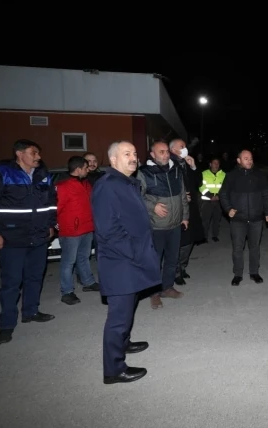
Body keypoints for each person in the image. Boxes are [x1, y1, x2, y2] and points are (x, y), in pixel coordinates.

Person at [92, 141, 161, 384]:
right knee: (118, 317)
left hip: (130, 258)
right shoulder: (107, 186)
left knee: (129, 306)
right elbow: (108, 230)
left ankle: (124, 343)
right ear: (113, 160)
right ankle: (114, 370)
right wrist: (134, 251)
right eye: (126, 154)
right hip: (120, 260)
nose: (133, 158)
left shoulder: (126, 182)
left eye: (134, 153)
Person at [0, 139, 57, 345]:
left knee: (35, 277)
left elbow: (51, 203)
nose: (38, 157)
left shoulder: (43, 174)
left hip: (38, 236)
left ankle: (31, 311)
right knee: (11, 282)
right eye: (34, 153)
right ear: (20, 154)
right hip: (12, 237)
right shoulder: (2, 173)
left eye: (38, 153)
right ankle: (7, 323)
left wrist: (50, 225)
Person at [136, 141, 188, 310]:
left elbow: (182, 194)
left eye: (166, 151)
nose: (165, 155)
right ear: (153, 155)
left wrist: (185, 216)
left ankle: (167, 287)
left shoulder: (176, 169)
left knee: (172, 259)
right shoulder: (144, 172)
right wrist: (153, 206)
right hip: (156, 226)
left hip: (175, 224)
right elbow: (137, 196)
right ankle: (154, 293)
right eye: (161, 152)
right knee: (155, 261)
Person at [219, 149, 268, 286]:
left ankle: (254, 272)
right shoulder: (231, 176)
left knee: (254, 247)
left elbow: (266, 194)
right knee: (238, 248)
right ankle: (238, 274)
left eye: (251, 158)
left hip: (256, 218)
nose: (249, 161)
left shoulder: (259, 175)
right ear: (239, 160)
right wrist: (228, 209)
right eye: (246, 158)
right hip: (238, 219)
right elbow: (223, 194)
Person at [56, 156, 100, 306]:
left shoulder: (86, 184)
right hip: (71, 231)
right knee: (68, 262)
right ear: (79, 169)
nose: (88, 170)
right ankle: (67, 291)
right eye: (86, 168)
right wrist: (56, 225)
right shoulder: (63, 186)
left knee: (84, 257)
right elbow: (56, 208)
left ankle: (88, 282)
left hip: (87, 228)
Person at [169, 138, 205, 284]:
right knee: (180, 240)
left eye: (185, 145)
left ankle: (183, 267)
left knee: (190, 239)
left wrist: (194, 167)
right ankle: (176, 271)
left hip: (191, 207)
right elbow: (168, 187)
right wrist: (182, 196)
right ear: (173, 150)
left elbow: (198, 183)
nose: (185, 148)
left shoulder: (187, 163)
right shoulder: (169, 164)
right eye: (182, 146)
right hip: (178, 208)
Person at [199, 157, 226, 242]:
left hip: (219, 201)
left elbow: (225, 188)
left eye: (218, 163)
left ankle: (215, 235)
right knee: (205, 220)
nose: (216, 165)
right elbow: (201, 187)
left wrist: (218, 196)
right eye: (214, 163)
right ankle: (204, 237)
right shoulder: (204, 174)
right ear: (210, 164)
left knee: (217, 219)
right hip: (207, 200)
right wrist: (210, 196)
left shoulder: (223, 174)